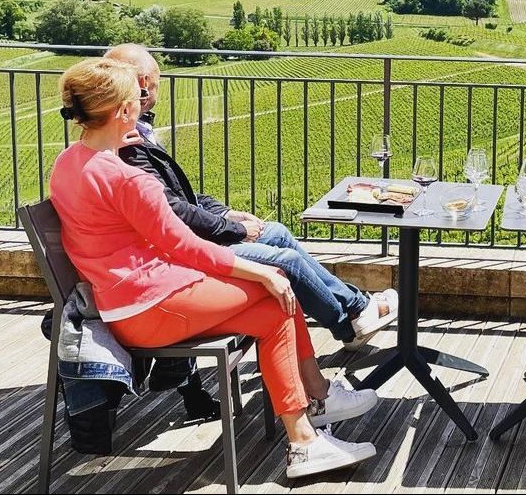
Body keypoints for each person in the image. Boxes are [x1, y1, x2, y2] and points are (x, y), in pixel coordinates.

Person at [49, 58, 377, 479]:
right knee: (277, 290)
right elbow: (183, 246)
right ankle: (312, 415)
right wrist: (259, 272)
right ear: (122, 112)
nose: (143, 104)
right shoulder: (130, 179)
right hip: (152, 306)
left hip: (120, 307)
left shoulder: (67, 164)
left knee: (275, 308)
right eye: (137, 99)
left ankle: (307, 434)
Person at [104, 44, 396, 352]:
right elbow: (173, 212)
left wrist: (227, 212)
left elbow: (181, 196)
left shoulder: (131, 135)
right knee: (288, 262)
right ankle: (348, 322)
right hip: (186, 254)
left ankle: (356, 306)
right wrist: (235, 230)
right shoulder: (128, 145)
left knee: (278, 233)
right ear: (144, 84)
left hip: (192, 239)